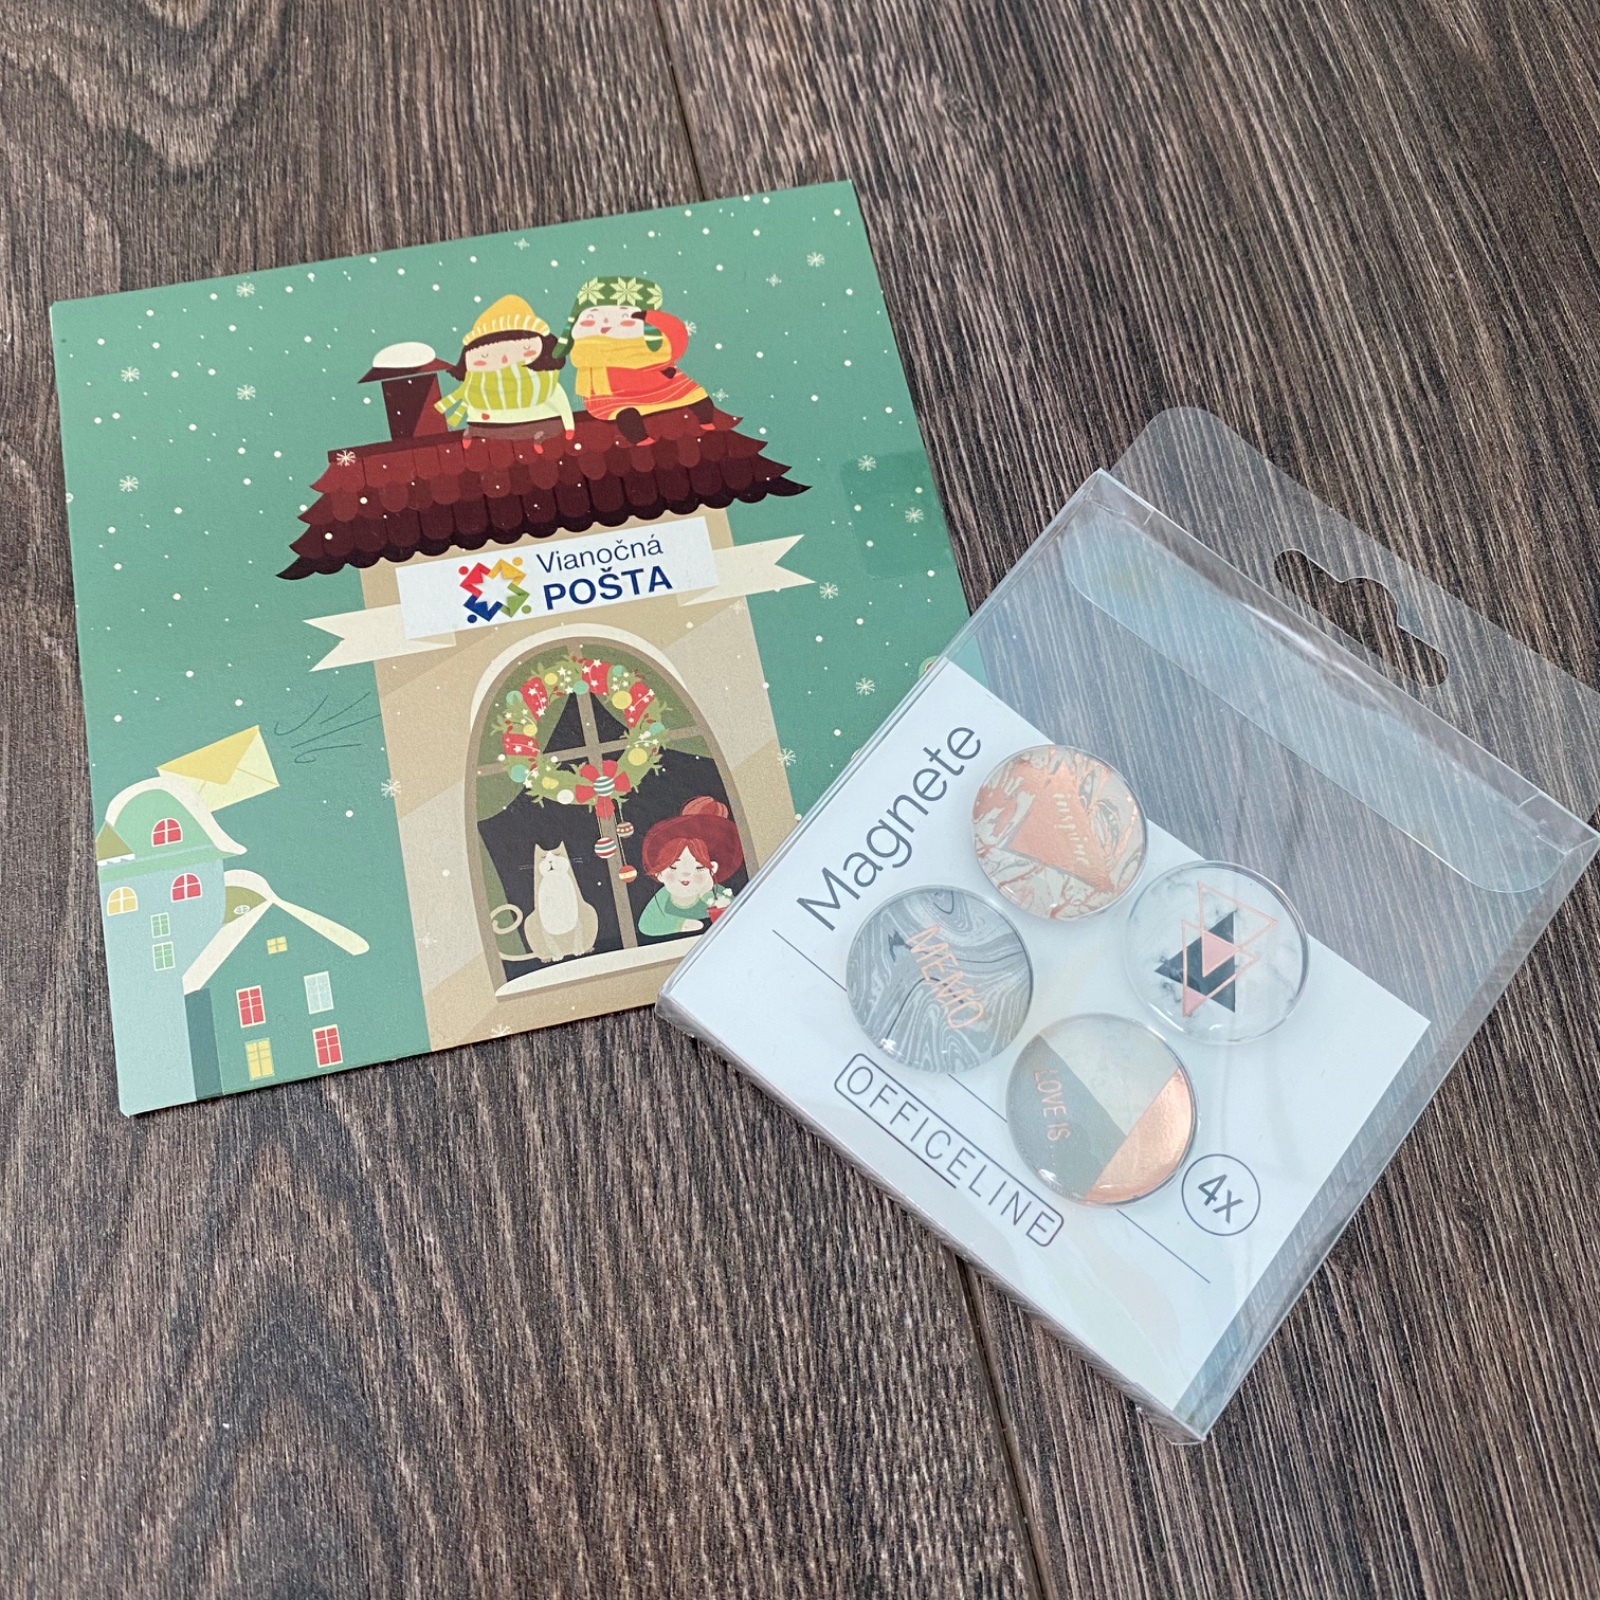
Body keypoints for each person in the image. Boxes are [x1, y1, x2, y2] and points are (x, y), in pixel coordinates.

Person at [560, 276, 716, 445]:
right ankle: (639, 437)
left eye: (623, 318)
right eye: (593, 319)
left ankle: (706, 419)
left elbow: (674, 344)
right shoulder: (587, 351)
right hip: (615, 396)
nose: (607, 325)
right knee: (626, 414)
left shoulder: (649, 342)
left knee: (696, 395)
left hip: (663, 385)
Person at [435, 294, 575, 445]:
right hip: (487, 422)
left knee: (552, 426)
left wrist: (569, 425)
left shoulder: (544, 378)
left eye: (525, 348)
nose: (504, 360)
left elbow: (559, 398)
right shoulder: (475, 383)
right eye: (485, 355)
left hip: (537, 419)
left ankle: (538, 437)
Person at [637, 796, 743, 937]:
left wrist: (708, 895)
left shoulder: (715, 891)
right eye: (673, 868)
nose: (686, 874)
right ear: (659, 873)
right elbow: (646, 924)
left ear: (712, 869)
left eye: (699, 868)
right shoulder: (663, 897)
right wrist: (680, 924)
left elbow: (739, 913)